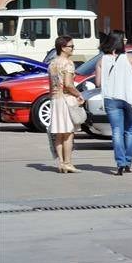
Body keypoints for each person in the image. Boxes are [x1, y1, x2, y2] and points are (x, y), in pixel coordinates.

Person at [97, 30, 132, 175]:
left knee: (116, 131)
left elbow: (98, 82)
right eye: (124, 38)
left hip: (111, 98)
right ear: (119, 41)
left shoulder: (101, 60)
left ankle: (120, 163)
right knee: (130, 131)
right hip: (130, 97)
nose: (126, 40)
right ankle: (128, 162)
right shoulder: (130, 58)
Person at [47, 35, 86, 173]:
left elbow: (52, 85)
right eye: (71, 46)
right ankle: (68, 163)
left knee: (59, 134)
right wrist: (78, 95)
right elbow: (69, 85)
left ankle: (61, 163)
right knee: (68, 133)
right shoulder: (68, 63)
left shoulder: (52, 63)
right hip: (65, 99)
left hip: (55, 99)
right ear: (63, 47)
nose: (73, 49)